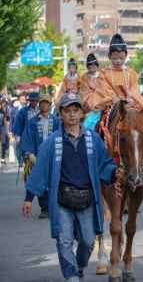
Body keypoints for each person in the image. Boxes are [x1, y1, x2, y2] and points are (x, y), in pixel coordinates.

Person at [22, 93, 123, 282]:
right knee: (64, 240)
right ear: (60, 114)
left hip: (87, 199)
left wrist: (115, 172)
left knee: (88, 241)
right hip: (62, 200)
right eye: (67, 111)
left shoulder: (93, 139)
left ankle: (80, 266)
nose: (72, 115)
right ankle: (71, 275)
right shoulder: (52, 142)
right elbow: (40, 170)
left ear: (82, 113)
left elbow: (104, 164)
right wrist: (29, 198)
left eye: (75, 110)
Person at [21, 94, 60, 219]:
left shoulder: (56, 121)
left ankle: (53, 207)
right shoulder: (32, 122)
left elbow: (60, 138)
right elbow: (27, 138)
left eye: (46, 103)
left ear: (50, 105)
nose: (44, 105)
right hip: (37, 156)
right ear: (39, 104)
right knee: (37, 180)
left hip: (53, 155)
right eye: (42, 102)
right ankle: (44, 208)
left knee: (53, 181)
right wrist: (30, 154)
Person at [12, 92, 40, 164]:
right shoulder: (23, 111)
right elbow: (18, 125)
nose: (34, 102)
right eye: (32, 100)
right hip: (27, 140)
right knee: (29, 164)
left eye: (35, 100)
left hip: (40, 140)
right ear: (29, 101)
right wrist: (18, 138)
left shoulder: (41, 111)